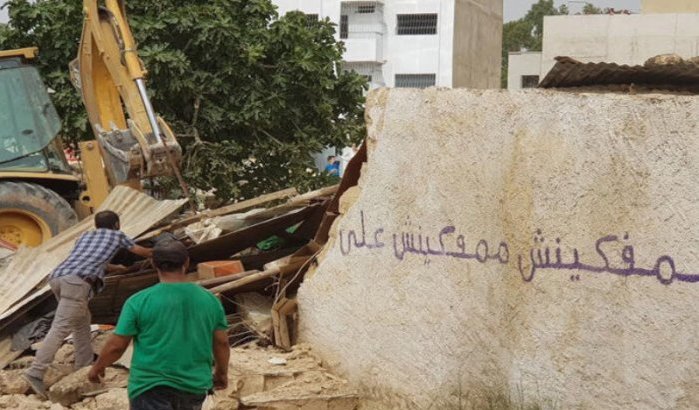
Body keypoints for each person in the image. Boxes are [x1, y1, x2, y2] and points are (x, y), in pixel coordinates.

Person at [88, 240, 230, 410]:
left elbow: (117, 346)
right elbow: (221, 342)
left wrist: (98, 367)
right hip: (194, 386)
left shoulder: (138, 301)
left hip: (150, 387)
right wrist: (221, 373)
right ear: (186, 262)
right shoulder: (210, 300)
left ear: (154, 263)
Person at [24, 210, 153, 397]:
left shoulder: (86, 236)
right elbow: (141, 251)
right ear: (116, 224)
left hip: (58, 278)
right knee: (60, 327)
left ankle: (83, 365)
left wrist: (116, 268)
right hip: (77, 282)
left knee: (82, 322)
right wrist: (164, 254)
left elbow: (89, 259)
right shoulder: (117, 235)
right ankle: (35, 371)